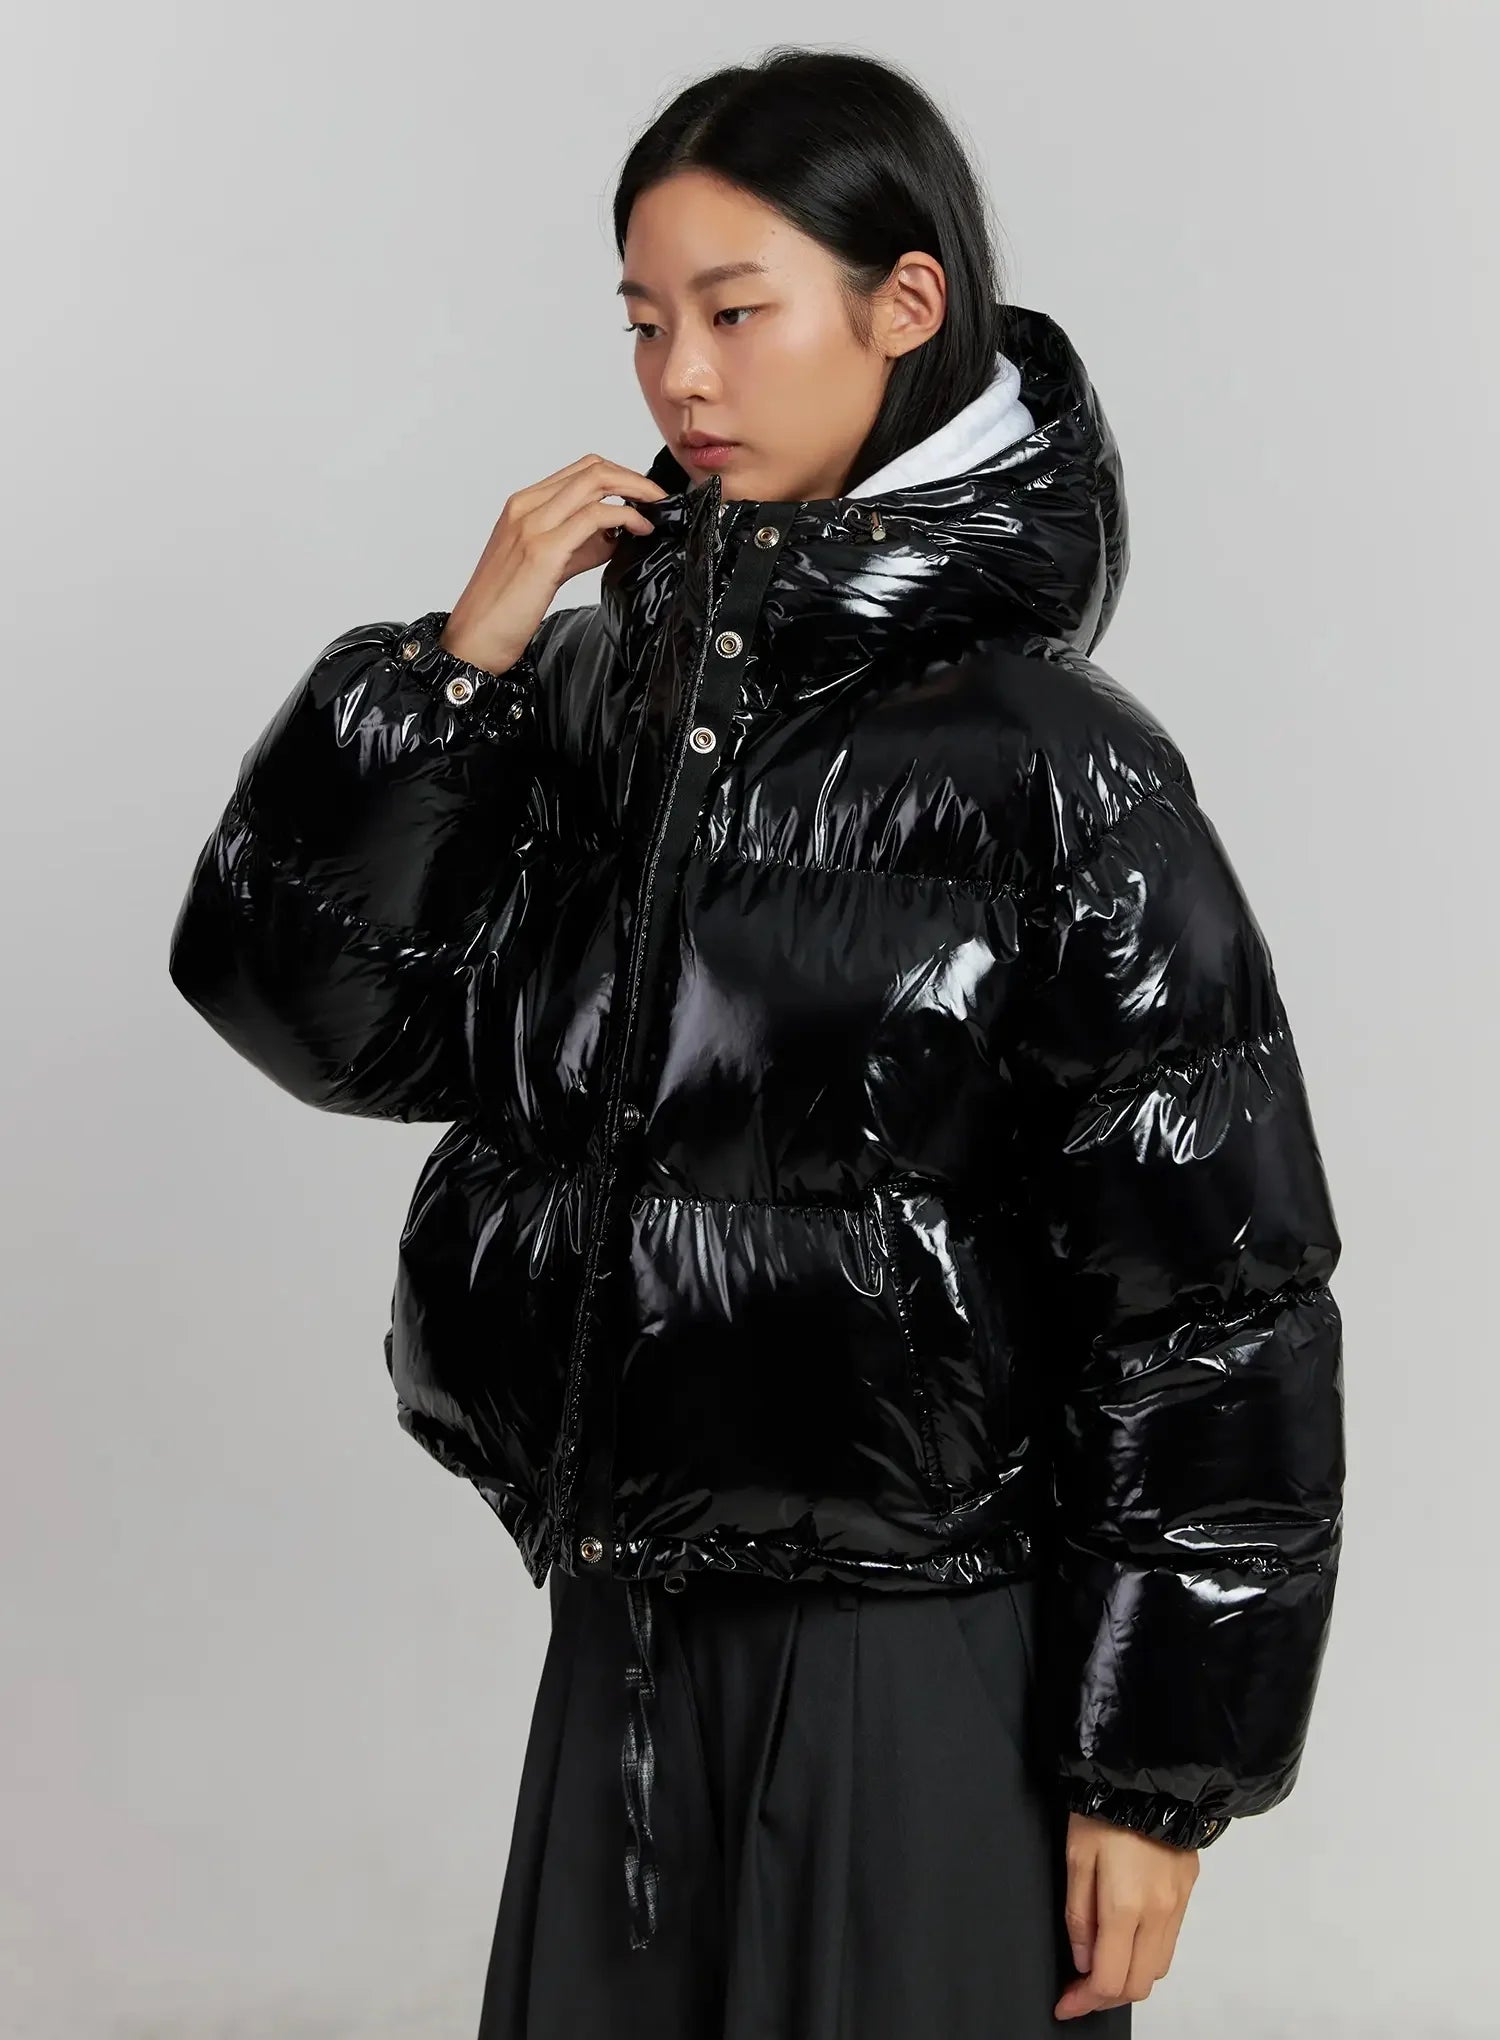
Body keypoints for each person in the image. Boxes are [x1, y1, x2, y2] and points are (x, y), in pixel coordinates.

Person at [167, 43, 1346, 2040]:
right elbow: (325, 1018)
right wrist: (459, 668)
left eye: (735, 313)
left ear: (902, 304)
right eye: (644, 324)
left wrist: (1160, 1776)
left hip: (926, 1661)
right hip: (629, 1626)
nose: (681, 381)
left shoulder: (1054, 767)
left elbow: (1213, 1304)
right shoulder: (595, 705)